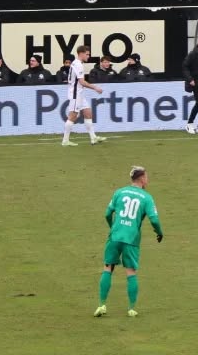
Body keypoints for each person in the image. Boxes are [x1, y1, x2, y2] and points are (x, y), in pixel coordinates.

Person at [94, 165, 163, 318]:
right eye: (147, 177)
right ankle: (131, 308)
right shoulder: (147, 197)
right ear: (142, 179)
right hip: (131, 239)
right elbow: (154, 220)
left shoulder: (119, 192)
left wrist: (113, 228)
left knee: (107, 268)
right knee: (131, 272)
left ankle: (101, 305)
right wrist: (159, 233)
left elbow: (107, 214)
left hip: (115, 236)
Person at [61, 45, 106, 147]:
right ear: (81, 53)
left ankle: (93, 137)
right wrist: (95, 87)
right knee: (73, 116)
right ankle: (65, 140)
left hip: (79, 93)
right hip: (76, 94)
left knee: (88, 112)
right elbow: (82, 82)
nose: (88, 56)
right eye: (87, 54)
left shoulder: (77, 63)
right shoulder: (78, 64)